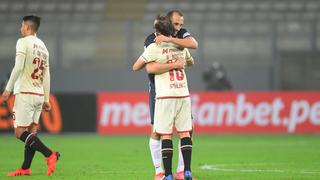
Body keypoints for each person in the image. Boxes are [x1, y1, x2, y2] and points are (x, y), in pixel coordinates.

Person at [134, 15, 195, 180]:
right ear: (169, 25)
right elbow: (151, 68)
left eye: (180, 24)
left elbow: (138, 66)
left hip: (168, 93)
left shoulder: (171, 41)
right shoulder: (153, 41)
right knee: (161, 131)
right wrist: (175, 63)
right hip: (167, 90)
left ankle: (176, 173)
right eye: (175, 24)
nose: (178, 27)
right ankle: (161, 172)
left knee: (171, 132)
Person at [1, 15, 60, 177]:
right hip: (39, 94)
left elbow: (18, 66)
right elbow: (46, 75)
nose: (20, 29)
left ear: (27, 28)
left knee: (19, 132)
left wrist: (7, 89)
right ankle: (25, 168)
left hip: (25, 93)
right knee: (32, 132)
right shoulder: (43, 47)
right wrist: (46, 99)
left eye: (22, 26)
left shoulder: (22, 42)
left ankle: (50, 154)